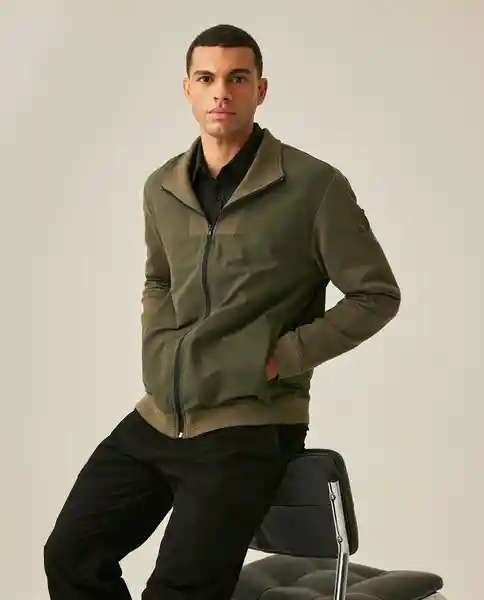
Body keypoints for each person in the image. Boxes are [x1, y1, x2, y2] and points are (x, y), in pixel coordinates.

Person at [43, 23, 401, 600]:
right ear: (187, 88)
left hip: (249, 423)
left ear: (261, 89)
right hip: (162, 415)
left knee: (180, 589)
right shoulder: (163, 187)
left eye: (237, 78)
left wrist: (280, 358)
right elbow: (159, 278)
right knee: (71, 555)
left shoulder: (314, 187)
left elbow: (376, 294)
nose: (221, 93)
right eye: (207, 78)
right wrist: (159, 349)